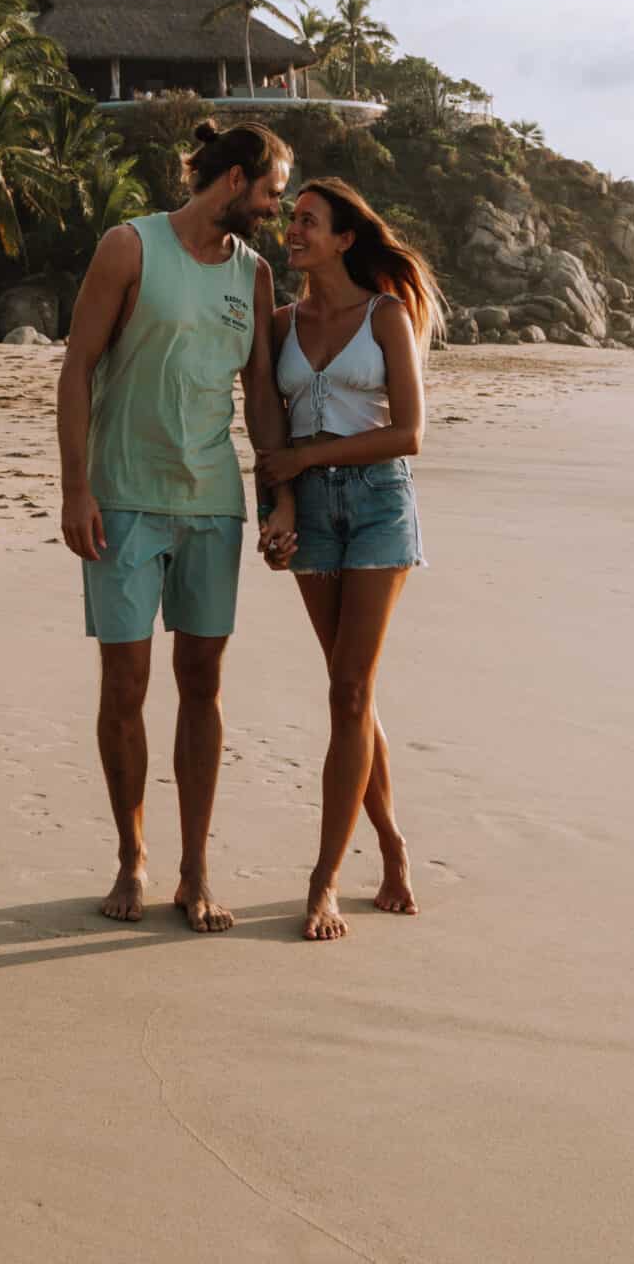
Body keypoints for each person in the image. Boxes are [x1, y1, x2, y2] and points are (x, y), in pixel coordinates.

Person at [58, 119, 297, 932]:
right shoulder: (129, 247)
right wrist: (74, 490)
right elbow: (77, 368)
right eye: (271, 191)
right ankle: (132, 856)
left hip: (211, 508)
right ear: (234, 180)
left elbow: (260, 392)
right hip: (122, 500)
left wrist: (276, 497)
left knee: (203, 683)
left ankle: (196, 867)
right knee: (124, 686)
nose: (277, 206)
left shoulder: (255, 275)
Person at [257, 179, 444, 943]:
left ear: (343, 239)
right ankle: (394, 845)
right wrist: (279, 505)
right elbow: (266, 432)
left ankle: (324, 878)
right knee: (351, 697)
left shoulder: (386, 316)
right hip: (310, 513)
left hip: (376, 506)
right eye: (292, 218)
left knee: (347, 687)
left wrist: (311, 460)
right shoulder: (278, 324)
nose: (293, 230)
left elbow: (410, 433)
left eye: (309, 222)